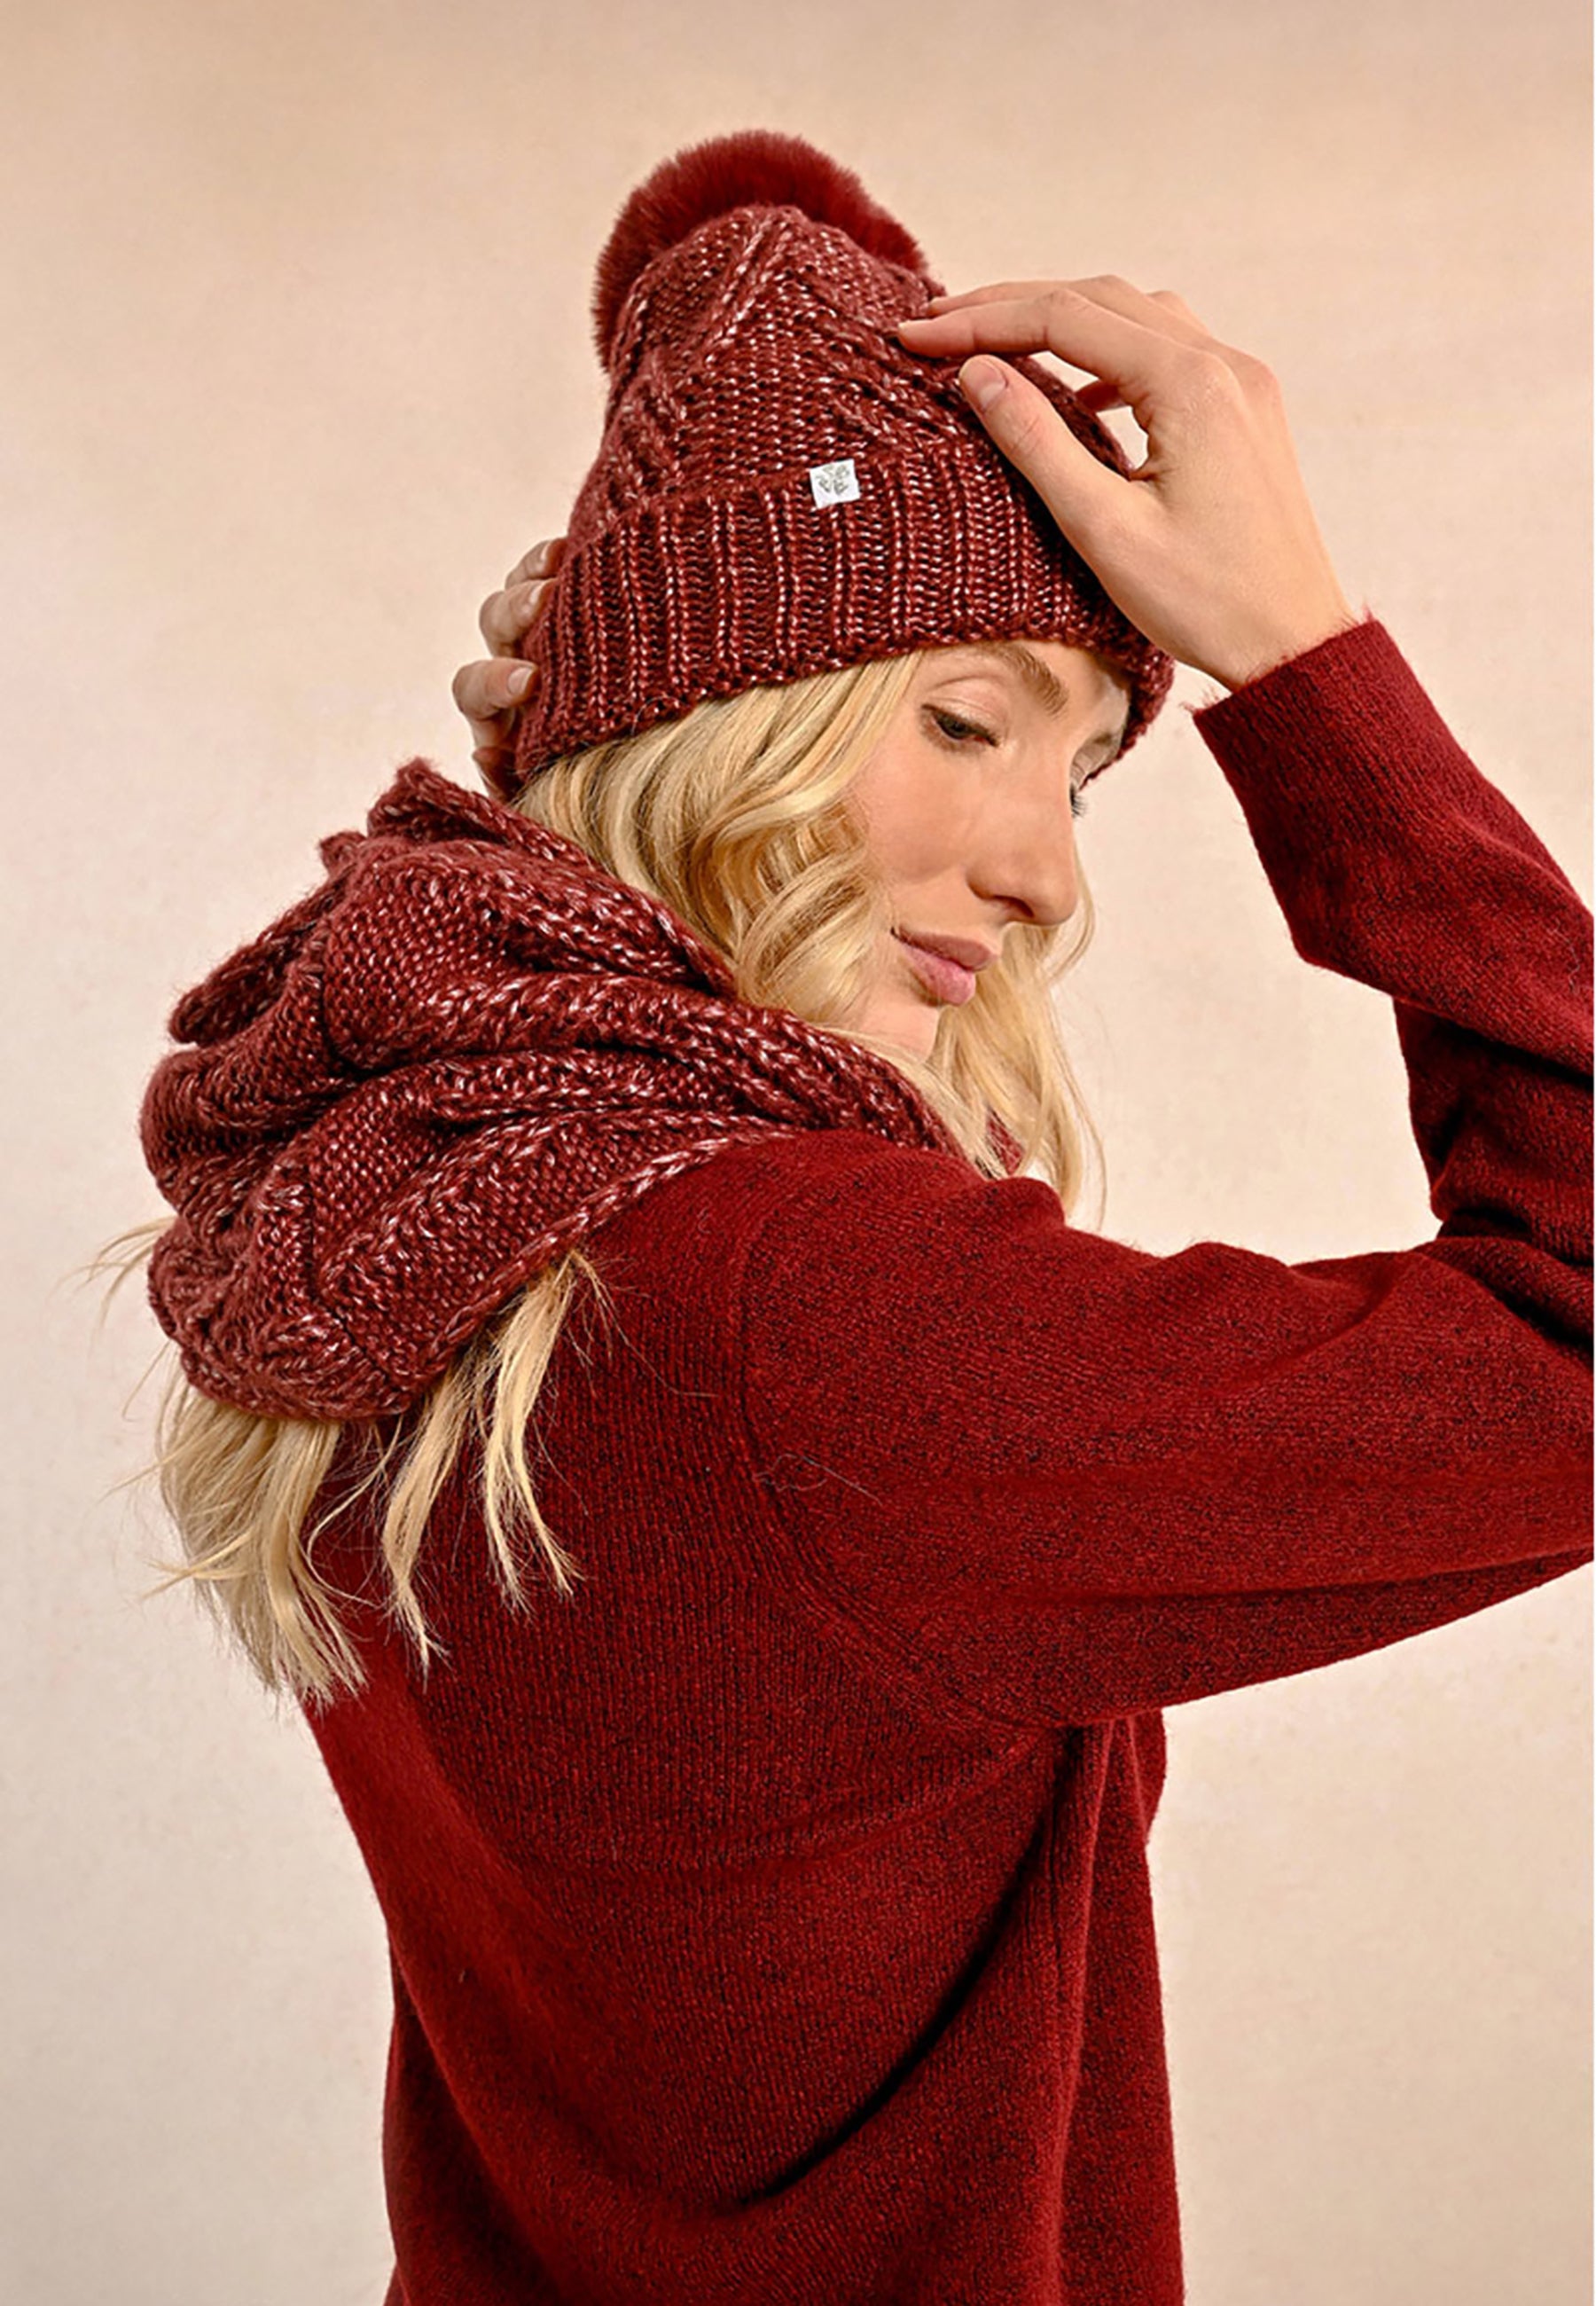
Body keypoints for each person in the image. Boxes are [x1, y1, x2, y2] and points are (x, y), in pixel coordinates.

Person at [129, 129, 1591, 2306]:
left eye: (1075, 770)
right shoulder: (803, 1311)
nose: (1045, 873)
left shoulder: (403, 1182)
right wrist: (1305, 658)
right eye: (965, 719)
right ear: (733, 714)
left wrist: (597, 749)